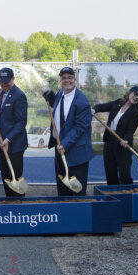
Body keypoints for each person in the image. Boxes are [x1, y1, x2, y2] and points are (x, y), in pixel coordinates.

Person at [41, 66, 93, 196]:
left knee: (77, 192)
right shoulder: (60, 94)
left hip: (76, 152)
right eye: (64, 78)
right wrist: (49, 93)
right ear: (60, 81)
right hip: (60, 149)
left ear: (75, 80)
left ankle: (79, 215)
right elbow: (59, 107)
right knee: (63, 191)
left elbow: (80, 127)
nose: (67, 80)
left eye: (70, 78)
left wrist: (65, 144)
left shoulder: (82, 101)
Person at [0, 67, 28, 198]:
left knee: (15, 179)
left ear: (13, 79)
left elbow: (21, 122)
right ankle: (9, 204)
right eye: (1, 81)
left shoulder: (20, 96)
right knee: (6, 178)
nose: (3, 84)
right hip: (2, 143)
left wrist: (8, 139)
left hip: (14, 145)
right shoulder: (2, 92)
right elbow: (3, 105)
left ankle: (18, 206)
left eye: (6, 81)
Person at [92, 85, 138, 185]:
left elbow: (130, 131)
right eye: (135, 94)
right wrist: (95, 109)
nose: (136, 97)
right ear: (130, 93)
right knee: (110, 172)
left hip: (123, 144)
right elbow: (102, 107)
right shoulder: (118, 103)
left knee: (124, 174)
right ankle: (112, 194)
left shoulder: (136, 113)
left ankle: (127, 195)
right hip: (109, 142)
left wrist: (126, 140)